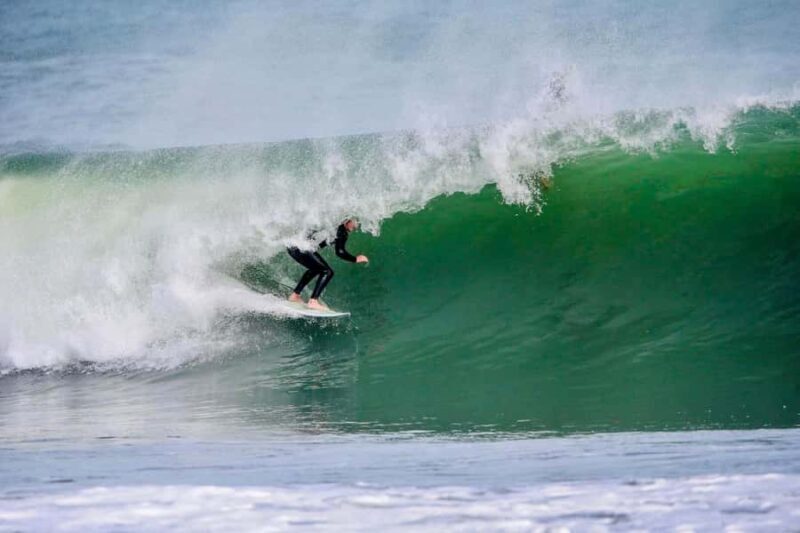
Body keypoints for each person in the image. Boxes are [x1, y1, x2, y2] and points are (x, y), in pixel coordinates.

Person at [286, 218, 369, 310]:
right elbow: (340, 252)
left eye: (357, 223)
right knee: (327, 272)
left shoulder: (332, 225)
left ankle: (295, 296)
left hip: (293, 246)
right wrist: (355, 259)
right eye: (354, 222)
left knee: (316, 269)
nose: (356, 225)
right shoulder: (341, 231)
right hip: (302, 248)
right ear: (347, 221)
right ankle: (313, 301)